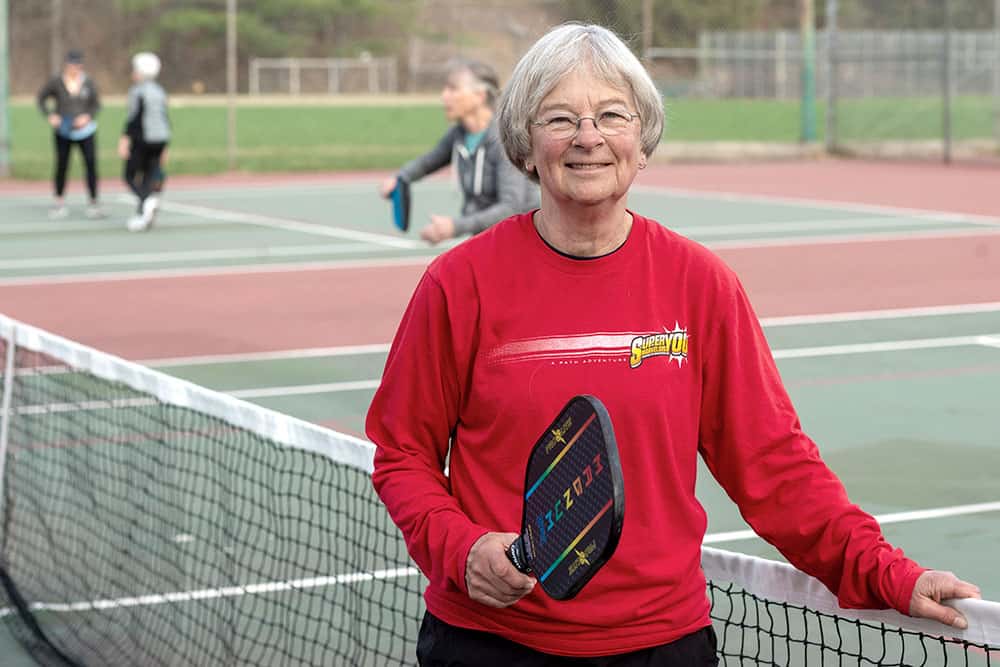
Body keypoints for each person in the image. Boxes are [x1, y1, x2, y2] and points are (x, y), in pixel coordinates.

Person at [366, 23, 982, 667]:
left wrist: (889, 573)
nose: (587, 137)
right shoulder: (458, 284)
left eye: (611, 114)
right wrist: (461, 551)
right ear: (525, 142)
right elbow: (402, 452)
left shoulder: (700, 284)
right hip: (488, 644)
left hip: (661, 644)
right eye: (559, 118)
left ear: (642, 135)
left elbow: (773, 464)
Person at [379, 58, 537, 245]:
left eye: (453, 89)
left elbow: (511, 208)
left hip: (520, 242)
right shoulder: (459, 134)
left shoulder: (501, 140)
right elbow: (428, 162)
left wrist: (454, 227)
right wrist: (400, 177)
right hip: (487, 239)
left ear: (479, 95)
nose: (444, 96)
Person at [36, 49, 104, 219]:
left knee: (90, 165)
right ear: (67, 65)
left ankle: (93, 202)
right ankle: (59, 202)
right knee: (62, 165)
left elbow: (96, 104)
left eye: (78, 65)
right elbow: (41, 98)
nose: (75, 68)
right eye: (73, 64)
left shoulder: (88, 82)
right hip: (63, 131)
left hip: (85, 132)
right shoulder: (57, 81)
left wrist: (87, 117)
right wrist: (51, 116)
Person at [118, 52, 171, 232]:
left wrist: (125, 139)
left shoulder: (137, 92)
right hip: (161, 139)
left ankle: (146, 202)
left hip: (143, 139)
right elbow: (164, 117)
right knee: (149, 175)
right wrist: (166, 146)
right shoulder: (159, 91)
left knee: (129, 175)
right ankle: (144, 215)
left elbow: (134, 118)